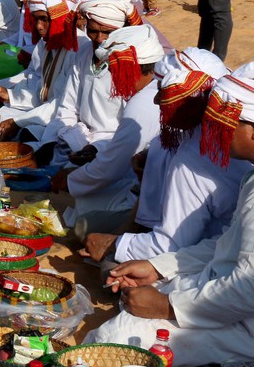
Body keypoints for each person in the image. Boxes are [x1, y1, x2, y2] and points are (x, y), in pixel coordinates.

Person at [88, 63, 254, 365]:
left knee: (119, 340)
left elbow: (247, 289)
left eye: (224, 124)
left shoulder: (198, 160)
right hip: (220, 292)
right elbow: (225, 243)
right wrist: (157, 267)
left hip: (245, 324)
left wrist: (167, 306)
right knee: (128, 307)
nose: (213, 132)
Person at [82, 48, 243, 264]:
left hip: (200, 252)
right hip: (169, 226)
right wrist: (150, 158)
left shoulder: (193, 161)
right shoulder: (192, 129)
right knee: (85, 227)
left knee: (110, 270)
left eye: (164, 95)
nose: (156, 101)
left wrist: (114, 244)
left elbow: (171, 245)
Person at [53, 25, 163, 232]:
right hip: (137, 180)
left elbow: (113, 166)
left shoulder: (143, 103)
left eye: (114, 68)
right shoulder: (147, 92)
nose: (111, 74)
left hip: (154, 198)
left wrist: (71, 180)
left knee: (85, 225)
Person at [38, 0, 140, 166]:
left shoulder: (132, 66)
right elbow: (68, 106)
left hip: (110, 144)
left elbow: (130, 130)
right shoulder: (85, 52)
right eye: (93, 31)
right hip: (77, 137)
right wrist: (53, 139)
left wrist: (97, 148)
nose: (99, 39)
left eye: (108, 32)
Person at [0, 0, 91, 144]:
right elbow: (42, 90)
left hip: (67, 119)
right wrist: (9, 95)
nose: (39, 27)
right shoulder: (48, 42)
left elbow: (63, 102)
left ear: (59, 19)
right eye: (36, 20)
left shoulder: (79, 47)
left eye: (44, 19)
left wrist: (18, 121)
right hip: (46, 110)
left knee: (25, 136)